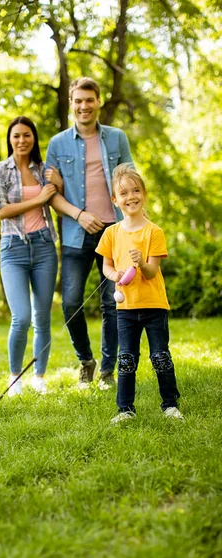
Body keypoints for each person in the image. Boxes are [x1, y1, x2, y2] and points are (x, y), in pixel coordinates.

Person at [46, 77, 134, 390]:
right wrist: (79, 214)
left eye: (89, 100)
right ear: (71, 104)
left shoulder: (117, 138)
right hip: (75, 233)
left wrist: (134, 223)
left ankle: (108, 371)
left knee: (113, 302)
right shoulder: (57, 144)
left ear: (98, 102)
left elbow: (129, 180)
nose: (84, 106)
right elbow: (51, 193)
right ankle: (86, 361)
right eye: (78, 101)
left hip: (114, 231)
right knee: (70, 302)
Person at [96, 163, 183, 423]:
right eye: (123, 193)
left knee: (160, 357)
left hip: (154, 305)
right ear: (115, 199)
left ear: (143, 194)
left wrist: (140, 261)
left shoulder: (154, 232)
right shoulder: (111, 233)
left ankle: (170, 405)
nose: (130, 197)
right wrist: (117, 276)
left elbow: (151, 272)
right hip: (126, 308)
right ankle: (125, 409)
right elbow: (107, 267)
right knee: (126, 359)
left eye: (135, 191)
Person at [0, 116, 60, 395]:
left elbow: (57, 197)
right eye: (16, 135)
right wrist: (38, 199)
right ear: (10, 139)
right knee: (21, 317)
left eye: (27, 135)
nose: (22, 140)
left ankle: (39, 377)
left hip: (44, 246)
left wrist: (58, 183)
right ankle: (15, 376)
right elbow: (1, 210)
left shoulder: (43, 170)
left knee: (42, 318)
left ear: (34, 138)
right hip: (13, 248)